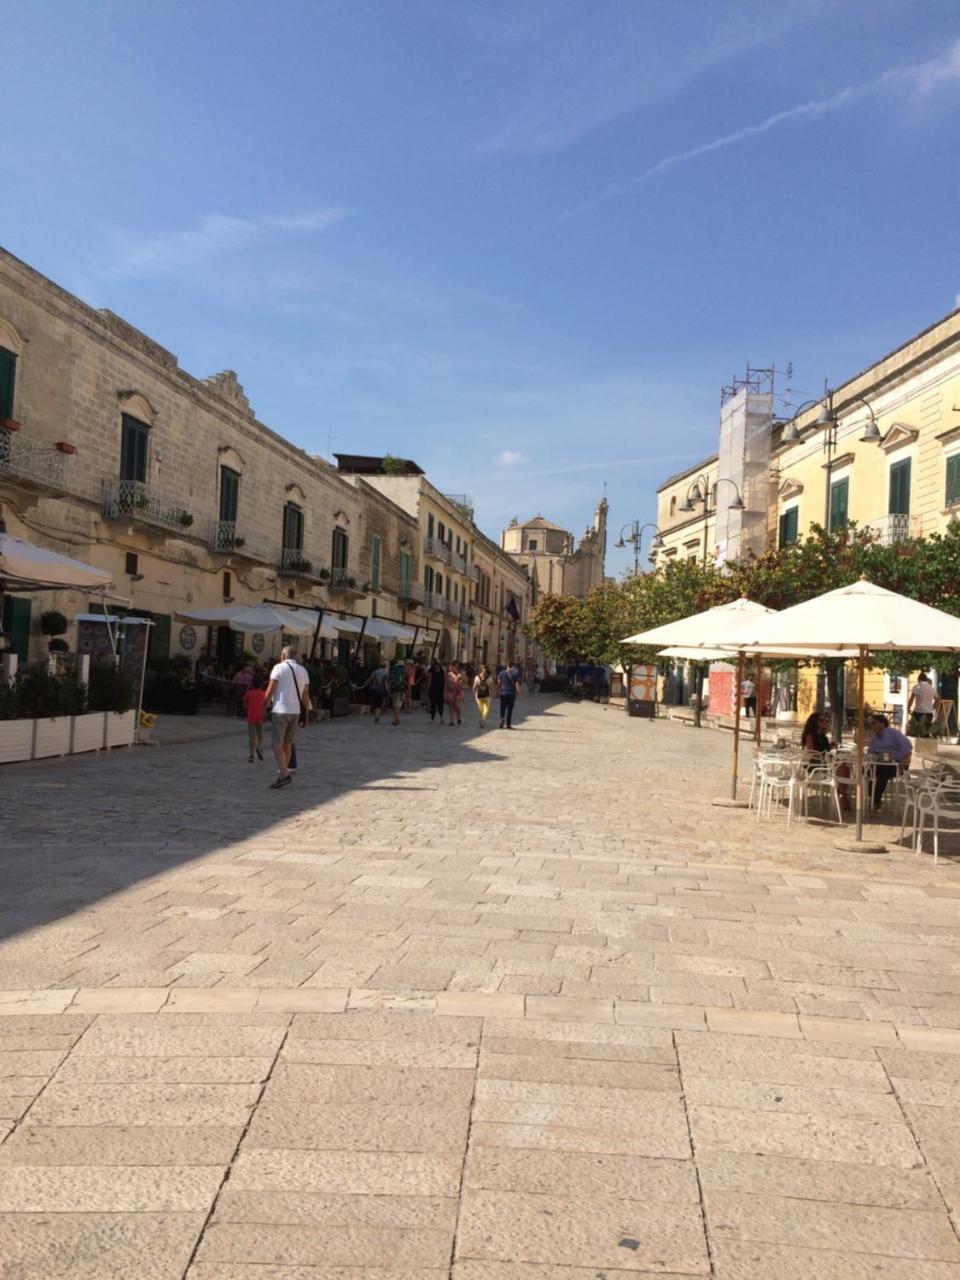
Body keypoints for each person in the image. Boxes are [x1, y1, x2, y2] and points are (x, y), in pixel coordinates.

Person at [263, 645, 312, 789]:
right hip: (295, 711)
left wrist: (263, 706)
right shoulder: (303, 670)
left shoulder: (278, 668)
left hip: (281, 709)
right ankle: (283, 772)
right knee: (288, 743)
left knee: (277, 744)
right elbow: (305, 694)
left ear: (283, 656)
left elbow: (271, 689)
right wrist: (306, 714)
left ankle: (284, 774)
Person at [867, 713, 912, 810]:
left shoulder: (894, 734)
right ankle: (873, 798)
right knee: (867, 772)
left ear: (882, 724)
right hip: (880, 763)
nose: (871, 726)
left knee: (882, 773)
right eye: (870, 723)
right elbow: (870, 752)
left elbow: (908, 749)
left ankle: (875, 801)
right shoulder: (874, 738)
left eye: (873, 723)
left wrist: (903, 764)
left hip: (897, 763)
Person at [243, 675, 267, 763]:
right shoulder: (264, 694)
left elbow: (245, 705)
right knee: (260, 735)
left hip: (251, 717)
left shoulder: (249, 693)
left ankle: (251, 755)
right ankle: (259, 749)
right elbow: (267, 705)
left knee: (252, 737)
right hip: (261, 716)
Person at [908, 672, 939, 737]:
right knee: (925, 733)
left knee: (913, 732)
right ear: (926, 679)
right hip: (928, 713)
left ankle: (916, 745)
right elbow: (937, 699)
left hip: (918, 712)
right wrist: (933, 707)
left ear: (919, 679)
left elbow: (911, 699)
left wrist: (908, 707)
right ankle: (926, 745)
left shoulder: (916, 687)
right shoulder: (932, 688)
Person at [498, 663, 522, 729]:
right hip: (512, 694)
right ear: (512, 667)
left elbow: (499, 682)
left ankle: (502, 719)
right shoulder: (515, 674)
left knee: (502, 708)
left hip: (504, 693)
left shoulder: (501, 673)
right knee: (510, 710)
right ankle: (508, 724)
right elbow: (517, 685)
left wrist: (500, 689)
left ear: (507, 666)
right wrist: (519, 694)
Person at [369, 659, 389, 724]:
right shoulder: (386, 673)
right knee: (379, 703)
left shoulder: (375, 672)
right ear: (385, 666)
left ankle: (376, 715)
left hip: (374, 689)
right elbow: (385, 683)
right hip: (381, 690)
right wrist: (387, 690)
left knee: (375, 702)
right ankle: (377, 715)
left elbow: (371, 679)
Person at [389, 655, 407, 726]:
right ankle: (396, 720)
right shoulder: (403, 672)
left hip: (394, 689)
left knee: (395, 705)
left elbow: (390, 681)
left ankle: (396, 719)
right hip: (401, 690)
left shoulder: (393, 671)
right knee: (398, 705)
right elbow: (405, 682)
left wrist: (390, 689)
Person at [445, 662, 464, 727]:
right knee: (450, 706)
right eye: (454, 667)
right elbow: (446, 683)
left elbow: (461, 684)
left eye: (456, 667)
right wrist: (445, 691)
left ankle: (458, 716)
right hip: (450, 692)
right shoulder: (449, 674)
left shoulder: (459, 675)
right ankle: (451, 721)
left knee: (456, 706)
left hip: (457, 693)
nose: (455, 668)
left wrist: (459, 679)